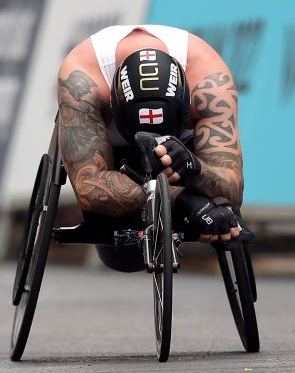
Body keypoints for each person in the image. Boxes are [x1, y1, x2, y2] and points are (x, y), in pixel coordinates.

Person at [57, 25, 250, 271]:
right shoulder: (82, 79)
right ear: (115, 102)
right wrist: (184, 199)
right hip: (116, 155)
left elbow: (232, 187)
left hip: (183, 148)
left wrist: (196, 169)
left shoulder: (209, 82)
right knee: (122, 260)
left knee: (222, 202)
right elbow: (89, 189)